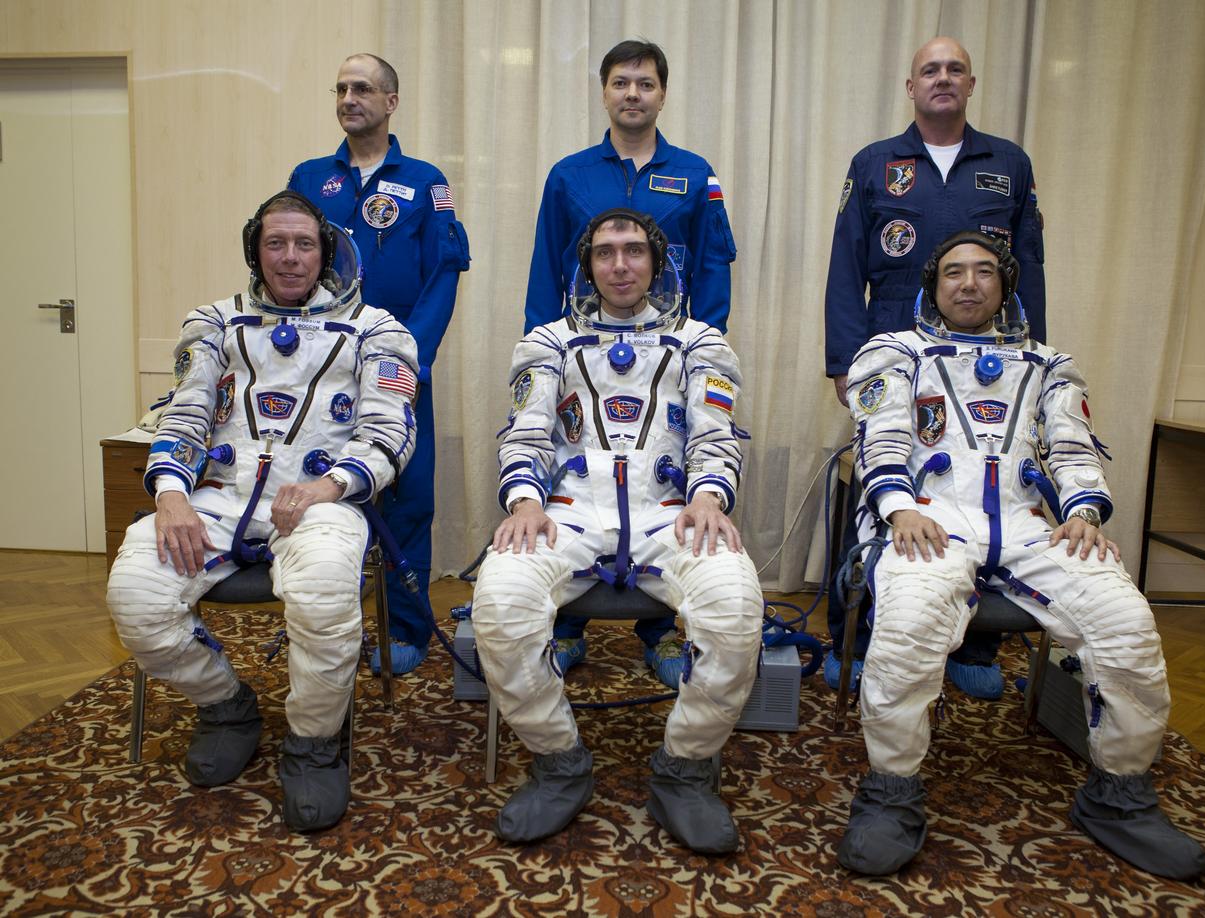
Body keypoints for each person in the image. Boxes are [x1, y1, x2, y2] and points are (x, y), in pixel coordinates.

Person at [835, 231, 1205, 881]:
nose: (969, 283)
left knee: (1126, 623)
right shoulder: (894, 354)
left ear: (1005, 285)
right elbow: (880, 442)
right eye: (954, 272)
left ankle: (1118, 798)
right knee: (907, 624)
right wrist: (898, 509)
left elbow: (1071, 451)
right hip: (929, 517)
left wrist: (1084, 513)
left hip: (1029, 524)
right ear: (933, 285)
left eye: (984, 272)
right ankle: (891, 793)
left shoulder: (1049, 366)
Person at [106, 191, 419, 832]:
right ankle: (227, 705)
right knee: (135, 595)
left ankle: (312, 742)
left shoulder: (380, 331)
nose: (290, 257)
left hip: (320, 499)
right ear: (255, 250)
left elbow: (392, 433)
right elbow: (185, 414)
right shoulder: (214, 324)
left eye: (304, 244)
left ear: (326, 252)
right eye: (275, 243)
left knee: (326, 593)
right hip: (216, 497)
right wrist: (169, 494)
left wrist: (330, 487)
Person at [471, 208, 761, 854]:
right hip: (567, 508)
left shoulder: (701, 343)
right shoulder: (547, 342)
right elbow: (526, 432)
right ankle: (559, 764)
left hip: (672, 511)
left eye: (634, 250)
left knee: (738, 610)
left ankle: (685, 771)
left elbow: (718, 437)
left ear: (657, 262)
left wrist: (710, 495)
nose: (620, 264)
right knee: (499, 603)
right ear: (588, 265)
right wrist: (523, 501)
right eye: (605, 253)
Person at [823, 36, 1047, 699]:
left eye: (954, 69)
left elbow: (1028, 269)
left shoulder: (1008, 164)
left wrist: (1033, 362)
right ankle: (854, 636)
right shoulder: (875, 164)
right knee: (880, 487)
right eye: (930, 70)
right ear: (911, 87)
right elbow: (845, 268)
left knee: (988, 489)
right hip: (894, 348)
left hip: (992, 362)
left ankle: (973, 640)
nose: (942, 79)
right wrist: (844, 360)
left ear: (971, 84)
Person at [525, 39, 739, 690]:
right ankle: (565, 627)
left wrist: (707, 348)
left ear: (663, 94)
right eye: (621, 83)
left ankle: (661, 630)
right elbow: (546, 268)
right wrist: (539, 352)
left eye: (645, 84)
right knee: (574, 483)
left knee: (665, 484)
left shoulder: (695, 173)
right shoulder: (569, 174)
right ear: (604, 92)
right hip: (583, 366)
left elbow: (712, 266)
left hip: (666, 363)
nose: (633, 95)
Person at [288, 53, 470, 675]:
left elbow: (444, 274)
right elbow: (282, 268)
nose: (348, 98)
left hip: (398, 368)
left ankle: (406, 628)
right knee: (319, 485)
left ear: (391, 102)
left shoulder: (425, 182)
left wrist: (409, 356)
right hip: (320, 369)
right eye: (340, 88)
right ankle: (321, 620)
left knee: (407, 496)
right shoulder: (310, 178)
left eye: (362, 88)